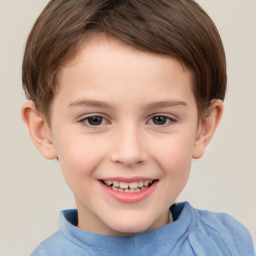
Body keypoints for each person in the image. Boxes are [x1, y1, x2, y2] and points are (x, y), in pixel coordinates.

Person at [21, 0, 255, 255]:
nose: (129, 153)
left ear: (204, 128)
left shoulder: (229, 241)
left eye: (160, 119)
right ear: (43, 131)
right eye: (94, 120)